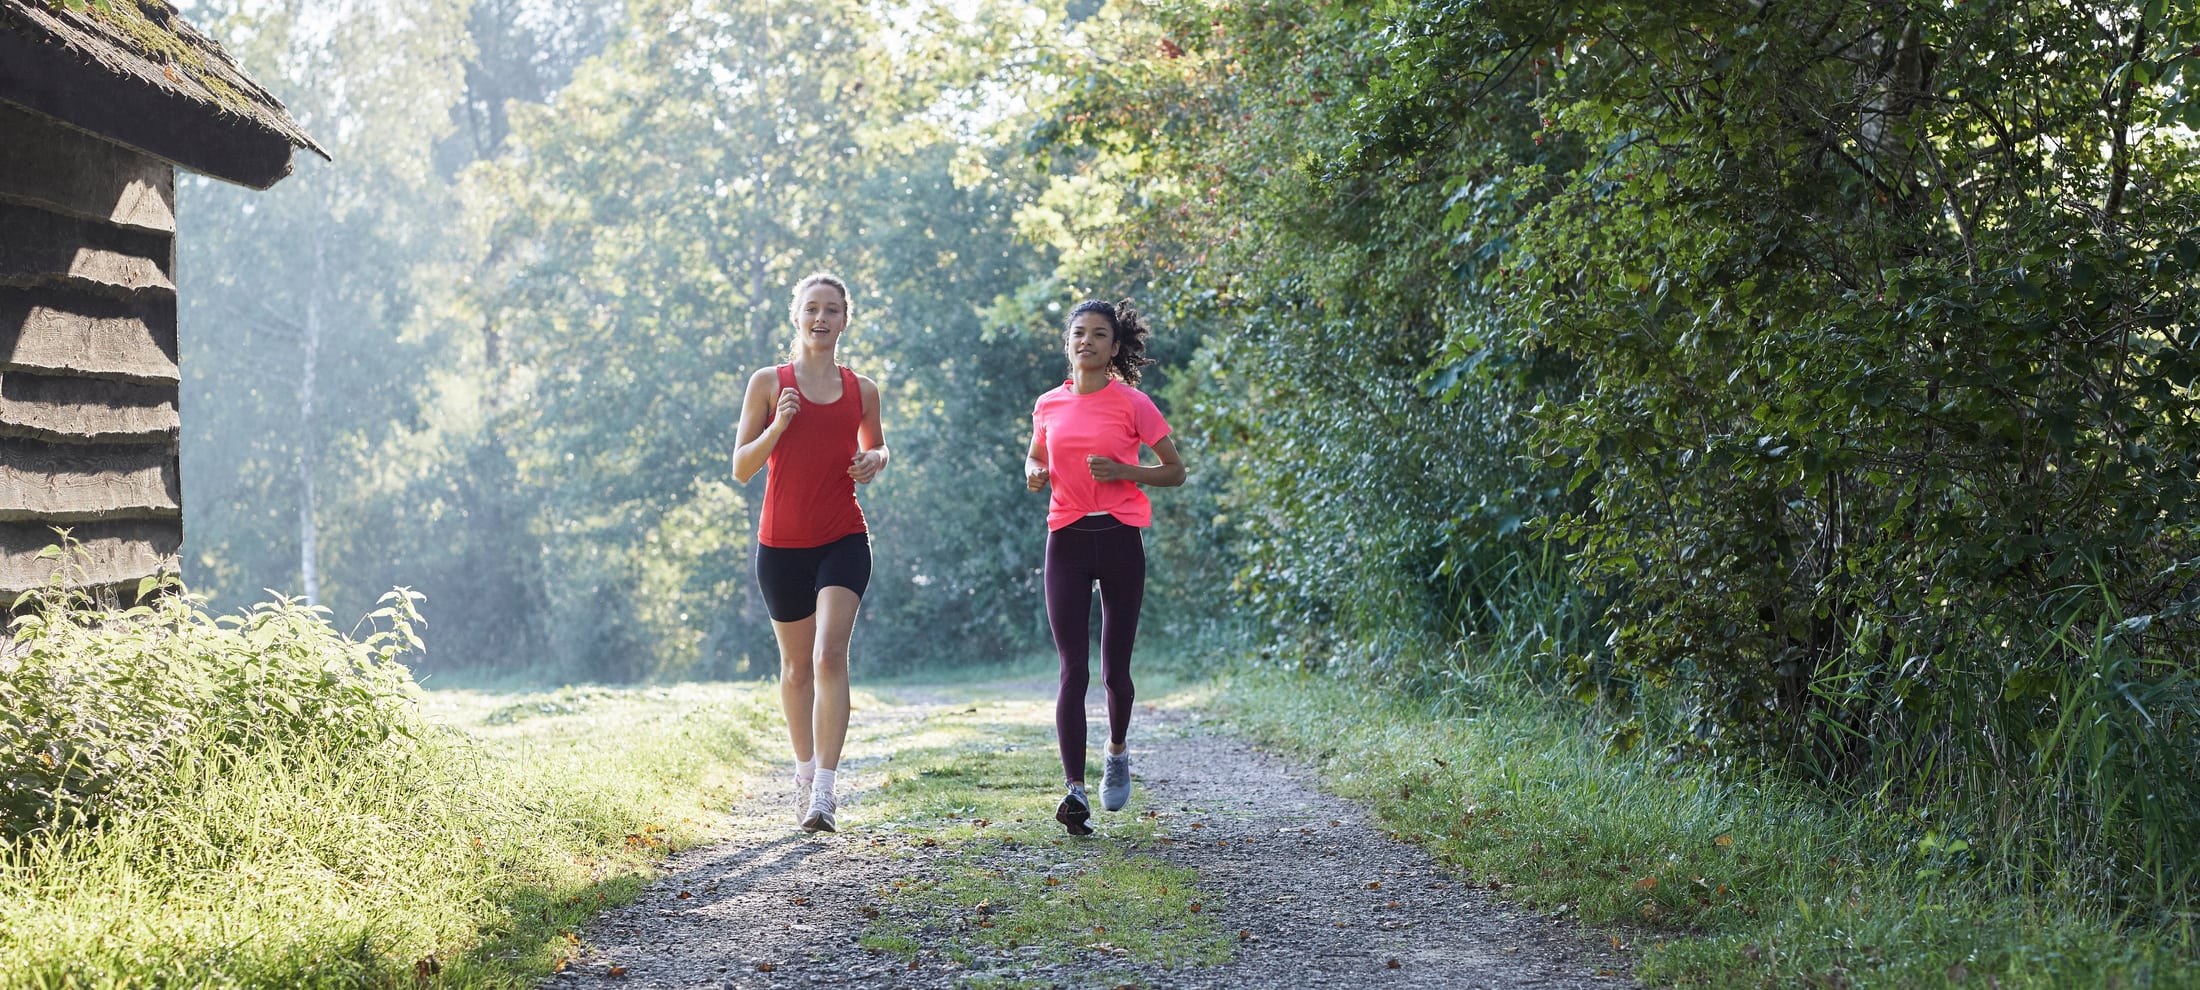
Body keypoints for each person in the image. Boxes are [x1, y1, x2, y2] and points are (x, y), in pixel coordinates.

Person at [733, 272, 888, 833]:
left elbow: (875, 446)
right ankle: (803, 777)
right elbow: (742, 466)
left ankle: (825, 791)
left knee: (828, 657)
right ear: (795, 316)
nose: (820, 319)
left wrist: (877, 459)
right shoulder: (768, 383)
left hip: (843, 536)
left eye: (831, 310)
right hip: (781, 546)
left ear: (845, 320)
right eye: (811, 309)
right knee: (797, 668)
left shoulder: (862, 389)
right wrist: (780, 424)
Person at [1024, 298, 1186, 836]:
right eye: (1078, 333)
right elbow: (1037, 454)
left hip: (1119, 538)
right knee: (1074, 669)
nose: (1086, 341)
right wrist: (1034, 470)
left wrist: (1122, 469)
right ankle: (1074, 792)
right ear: (1067, 343)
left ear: (1115, 348)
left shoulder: (1134, 403)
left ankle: (1116, 752)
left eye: (1098, 334)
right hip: (1066, 539)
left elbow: (1174, 472)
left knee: (1116, 669)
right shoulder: (1048, 404)